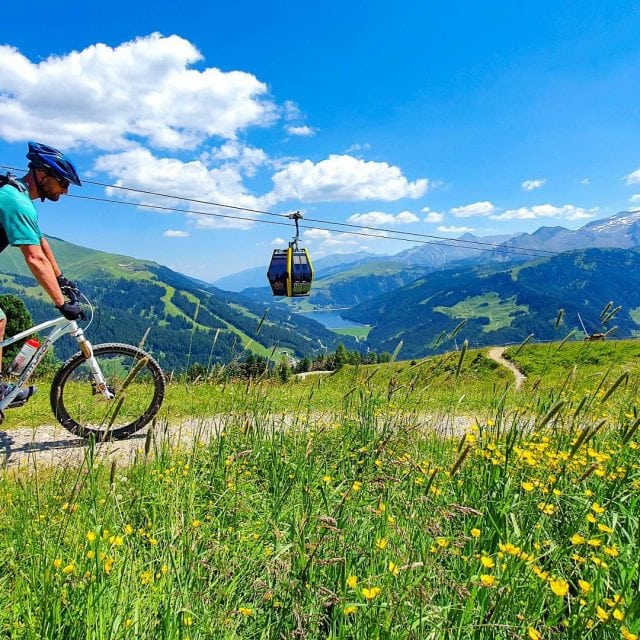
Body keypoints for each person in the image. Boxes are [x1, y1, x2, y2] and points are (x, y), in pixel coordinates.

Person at [0, 142, 84, 404]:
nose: (66, 190)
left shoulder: (21, 197)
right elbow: (34, 257)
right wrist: (60, 302)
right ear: (43, 175)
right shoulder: (14, 200)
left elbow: (41, 242)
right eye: (63, 183)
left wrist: (61, 280)